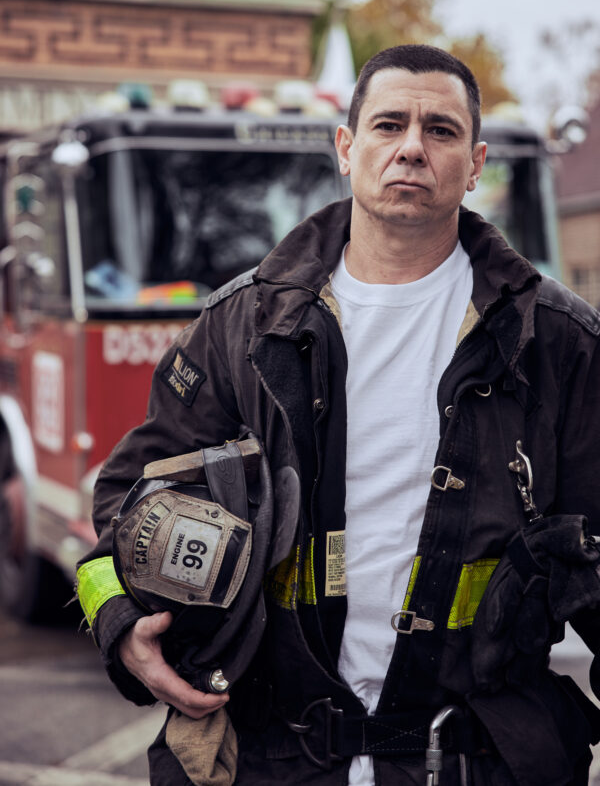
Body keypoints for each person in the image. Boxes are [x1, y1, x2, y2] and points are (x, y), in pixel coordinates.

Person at [77, 45, 600, 786]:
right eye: (389, 125)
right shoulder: (242, 326)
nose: (412, 147)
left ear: (476, 164)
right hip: (272, 756)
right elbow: (125, 501)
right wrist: (120, 624)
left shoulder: (555, 341)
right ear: (347, 149)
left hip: (475, 759)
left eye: (441, 130)